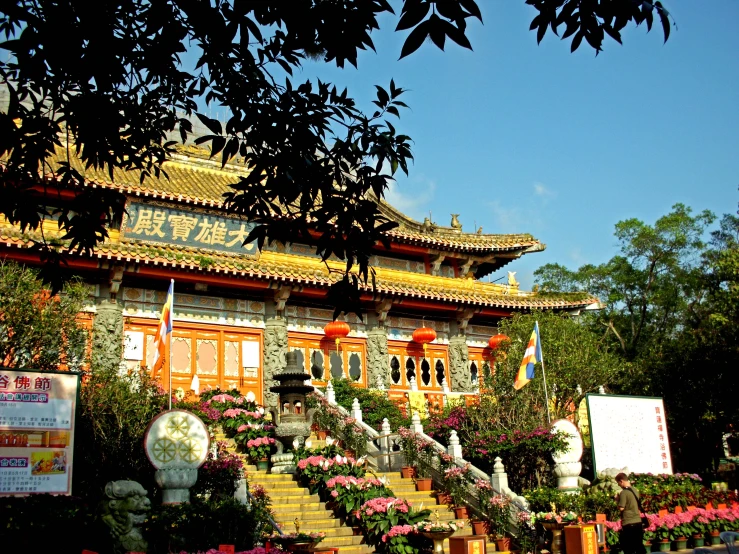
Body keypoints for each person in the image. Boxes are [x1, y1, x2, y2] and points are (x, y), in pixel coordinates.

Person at [615, 472, 646, 554]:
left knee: (628, 548)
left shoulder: (624, 492)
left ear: (621, 481)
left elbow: (621, 508)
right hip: (638, 522)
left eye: (618, 483)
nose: (618, 485)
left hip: (628, 523)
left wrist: (617, 500)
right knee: (639, 545)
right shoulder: (635, 490)